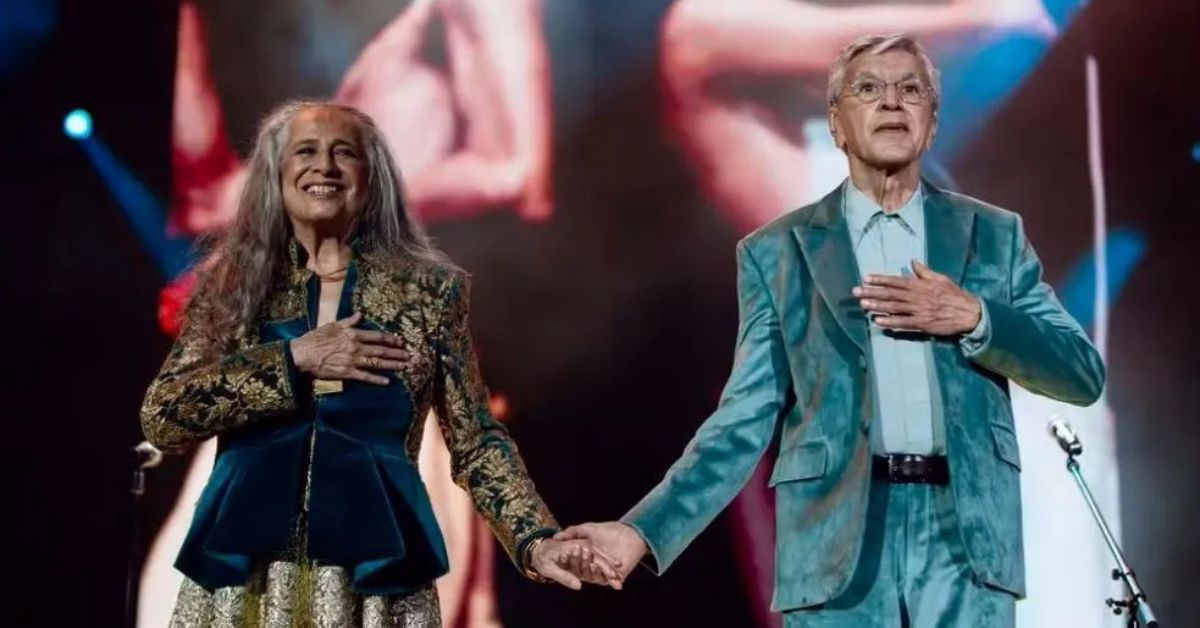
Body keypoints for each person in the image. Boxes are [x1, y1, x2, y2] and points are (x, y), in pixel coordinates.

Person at [560, 33, 1105, 627]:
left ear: (932, 121)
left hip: (965, 552)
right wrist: (642, 531)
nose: (892, 102)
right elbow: (742, 424)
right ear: (837, 123)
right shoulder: (780, 252)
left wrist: (976, 317)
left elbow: (1080, 373)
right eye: (869, 89)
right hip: (839, 556)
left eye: (911, 90)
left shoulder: (993, 237)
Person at [140, 101, 615, 627]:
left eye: (344, 152)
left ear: (373, 178)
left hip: (376, 584)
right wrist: (294, 360)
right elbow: (165, 415)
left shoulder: (428, 295)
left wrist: (535, 539)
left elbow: (476, 441)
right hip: (242, 577)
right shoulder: (233, 290)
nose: (325, 166)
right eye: (306, 151)